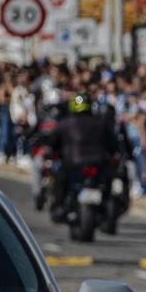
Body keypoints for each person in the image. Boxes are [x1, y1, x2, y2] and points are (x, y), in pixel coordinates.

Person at [40, 94, 120, 222]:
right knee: (108, 180)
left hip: (73, 163)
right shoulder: (100, 123)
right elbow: (113, 146)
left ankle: (59, 207)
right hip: (97, 163)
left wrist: (52, 153)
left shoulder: (64, 123)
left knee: (60, 180)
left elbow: (53, 144)